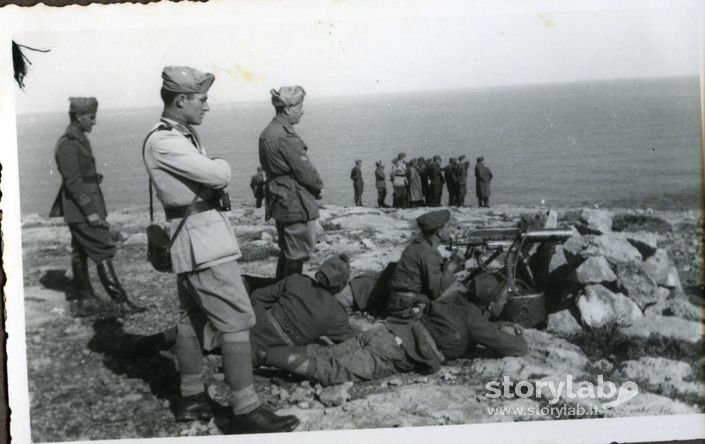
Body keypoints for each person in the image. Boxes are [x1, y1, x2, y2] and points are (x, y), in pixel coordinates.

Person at [143, 66, 298, 434]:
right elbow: (217, 176)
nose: (206, 106)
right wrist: (221, 165)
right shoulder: (164, 140)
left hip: (196, 241)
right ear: (181, 100)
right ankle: (246, 410)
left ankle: (192, 397)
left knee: (191, 322)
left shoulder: (178, 135)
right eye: (202, 99)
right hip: (204, 244)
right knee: (237, 320)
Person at [257, 212, 527, 386]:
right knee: (331, 371)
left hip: (387, 331)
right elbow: (513, 347)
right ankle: (263, 355)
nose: (452, 230)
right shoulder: (470, 315)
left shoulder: (451, 300)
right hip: (392, 347)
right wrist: (513, 332)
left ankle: (264, 354)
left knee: (326, 353)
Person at [52, 97, 145, 316]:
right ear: (79, 116)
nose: (94, 122)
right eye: (91, 117)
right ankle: (120, 302)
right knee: (103, 250)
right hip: (81, 211)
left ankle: (84, 299)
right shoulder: (68, 144)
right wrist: (91, 212)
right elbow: (73, 182)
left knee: (80, 252)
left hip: (81, 209)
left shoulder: (78, 139)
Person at [259, 86, 324, 280]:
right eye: (299, 106)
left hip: (280, 196)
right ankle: (289, 295)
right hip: (293, 199)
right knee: (297, 251)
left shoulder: (269, 132)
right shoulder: (286, 136)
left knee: (288, 249)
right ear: (288, 109)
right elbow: (305, 172)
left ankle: (282, 291)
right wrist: (318, 188)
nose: (302, 111)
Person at [250, 254, 357, 355]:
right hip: (276, 348)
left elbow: (257, 297)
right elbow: (353, 342)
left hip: (254, 328)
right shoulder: (337, 315)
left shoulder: (297, 279)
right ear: (341, 286)